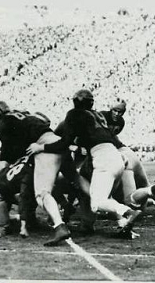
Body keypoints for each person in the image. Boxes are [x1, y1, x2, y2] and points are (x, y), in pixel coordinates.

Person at [27, 89, 142, 236]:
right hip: (115, 156)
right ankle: (124, 225)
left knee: (98, 202)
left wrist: (41, 147)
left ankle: (127, 212)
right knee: (103, 196)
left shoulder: (74, 115)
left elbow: (63, 142)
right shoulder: (97, 115)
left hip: (102, 159)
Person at [0, 101, 71, 246]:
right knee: (75, 179)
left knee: (41, 193)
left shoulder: (4, 123)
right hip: (57, 142)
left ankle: (59, 226)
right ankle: (120, 212)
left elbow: (8, 153)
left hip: (43, 148)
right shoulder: (25, 114)